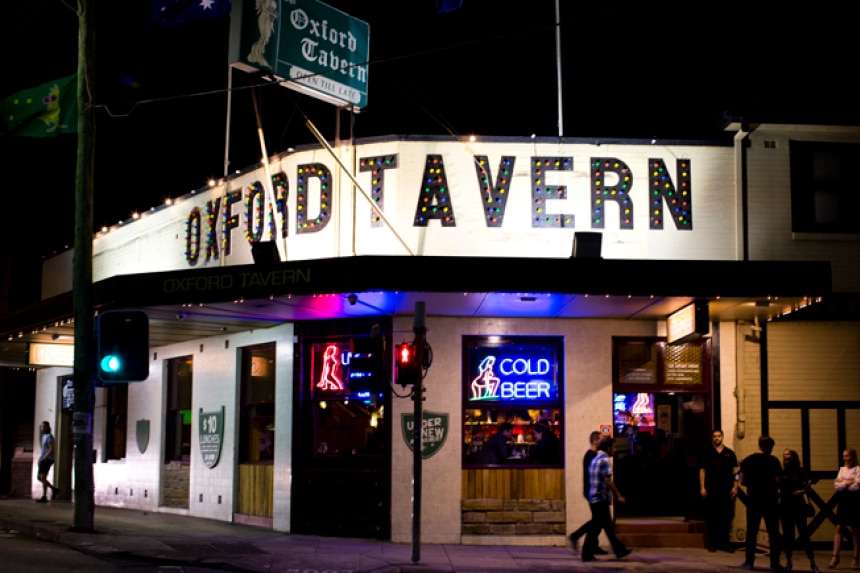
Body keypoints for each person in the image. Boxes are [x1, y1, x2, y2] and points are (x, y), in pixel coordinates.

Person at [581, 436, 633, 562]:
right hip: (601, 499)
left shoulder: (596, 458)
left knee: (607, 527)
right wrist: (619, 495)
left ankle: (619, 550)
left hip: (594, 497)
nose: (614, 449)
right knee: (595, 527)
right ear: (608, 447)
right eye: (613, 447)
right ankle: (586, 554)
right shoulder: (605, 460)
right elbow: (608, 480)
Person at [738, 435, 784, 571]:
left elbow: (741, 481)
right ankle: (775, 563)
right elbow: (779, 481)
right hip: (770, 500)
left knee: (751, 532)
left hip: (753, 499)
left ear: (759, 445)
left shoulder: (747, 461)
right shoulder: (774, 461)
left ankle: (749, 561)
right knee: (773, 532)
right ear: (769, 446)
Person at [699, 429, 739, 553]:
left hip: (726, 489)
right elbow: (702, 471)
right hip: (712, 489)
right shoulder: (707, 453)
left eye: (718, 436)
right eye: (714, 436)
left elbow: (735, 471)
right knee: (712, 517)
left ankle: (725, 543)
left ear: (722, 437)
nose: (716, 438)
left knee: (726, 517)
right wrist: (702, 487)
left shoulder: (730, 453)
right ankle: (713, 544)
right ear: (712, 438)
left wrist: (735, 486)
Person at [568, 431, 607, 554]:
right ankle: (576, 536)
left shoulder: (593, 454)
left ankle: (592, 544)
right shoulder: (591, 455)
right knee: (597, 520)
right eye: (600, 439)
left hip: (592, 491)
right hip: (592, 491)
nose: (602, 442)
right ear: (595, 441)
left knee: (597, 520)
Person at [779, 449, 819, 573]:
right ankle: (789, 562)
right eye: (784, 455)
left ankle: (812, 562)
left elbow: (807, 486)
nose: (786, 457)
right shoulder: (781, 471)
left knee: (804, 534)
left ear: (793, 457)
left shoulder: (799, 471)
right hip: (785, 505)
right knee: (788, 535)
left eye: (788, 455)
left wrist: (800, 492)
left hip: (797, 505)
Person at [829, 448, 860, 570]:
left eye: (847, 456)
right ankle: (835, 557)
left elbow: (857, 486)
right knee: (839, 527)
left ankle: (855, 558)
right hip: (843, 500)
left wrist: (845, 483)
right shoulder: (842, 470)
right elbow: (837, 485)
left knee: (855, 529)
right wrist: (848, 483)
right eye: (844, 456)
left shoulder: (858, 469)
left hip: (854, 500)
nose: (845, 458)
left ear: (853, 456)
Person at [36, 421, 60, 503]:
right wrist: (40, 457)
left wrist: (45, 457)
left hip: (48, 459)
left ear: (46, 427)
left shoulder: (49, 437)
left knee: (43, 477)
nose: (41, 428)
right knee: (39, 477)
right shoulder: (44, 436)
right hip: (43, 458)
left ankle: (44, 496)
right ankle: (54, 489)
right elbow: (44, 449)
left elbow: (51, 448)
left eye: (42, 427)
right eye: (41, 427)